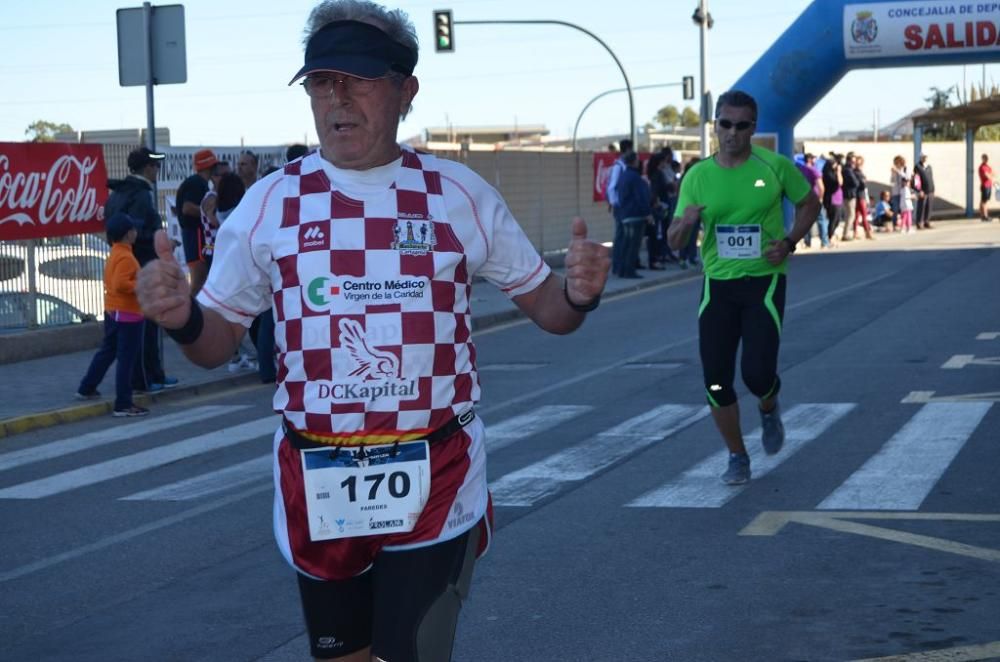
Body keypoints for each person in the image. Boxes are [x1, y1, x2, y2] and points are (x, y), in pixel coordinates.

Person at [135, 2, 610, 660]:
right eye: (322, 83)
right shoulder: (271, 203)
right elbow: (215, 345)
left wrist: (579, 294)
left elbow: (551, 312)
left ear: (405, 90)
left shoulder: (457, 194)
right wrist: (182, 316)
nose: (338, 100)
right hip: (316, 477)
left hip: (437, 471)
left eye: (357, 81)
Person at [667, 89, 820, 486]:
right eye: (725, 124)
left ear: (753, 127)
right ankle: (737, 455)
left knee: (756, 375)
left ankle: (768, 408)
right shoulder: (697, 176)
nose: (732, 132)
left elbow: (810, 204)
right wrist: (684, 225)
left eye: (741, 125)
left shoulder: (774, 167)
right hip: (717, 286)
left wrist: (788, 241)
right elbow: (675, 241)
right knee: (716, 380)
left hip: (763, 282)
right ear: (715, 124)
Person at [102, 146, 175, 393]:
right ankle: (146, 379)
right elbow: (136, 231)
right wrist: (161, 239)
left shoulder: (118, 193)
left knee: (138, 328)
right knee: (146, 326)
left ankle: (153, 374)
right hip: (142, 266)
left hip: (125, 264)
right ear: (148, 167)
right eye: (156, 166)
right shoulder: (141, 195)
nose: (158, 170)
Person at [76, 213, 150, 417]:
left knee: (108, 351)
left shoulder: (116, 252)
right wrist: (141, 285)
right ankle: (123, 404)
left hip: (114, 312)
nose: (137, 231)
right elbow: (120, 284)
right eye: (134, 229)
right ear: (128, 234)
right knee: (126, 359)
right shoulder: (126, 257)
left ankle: (87, 387)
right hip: (128, 314)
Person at [176, 149, 219, 296]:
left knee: (202, 281)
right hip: (195, 236)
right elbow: (187, 208)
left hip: (194, 235)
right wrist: (209, 213)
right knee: (199, 281)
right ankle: (190, 316)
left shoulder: (197, 183)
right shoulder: (197, 183)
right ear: (210, 167)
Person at [615, 151, 651, 279]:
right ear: (634, 161)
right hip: (635, 215)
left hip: (625, 214)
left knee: (625, 244)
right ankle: (629, 271)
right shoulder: (635, 177)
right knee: (633, 245)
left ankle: (622, 269)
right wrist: (647, 213)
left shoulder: (623, 176)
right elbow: (641, 197)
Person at [607, 138, 633, 276]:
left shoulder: (624, 165)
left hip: (624, 206)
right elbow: (612, 187)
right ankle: (617, 266)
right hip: (620, 207)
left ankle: (623, 265)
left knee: (625, 237)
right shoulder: (618, 166)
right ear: (627, 150)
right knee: (620, 237)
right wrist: (615, 203)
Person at [795, 153, 828, 249]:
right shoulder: (814, 170)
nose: (815, 160)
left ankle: (807, 242)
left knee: (804, 221)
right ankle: (824, 242)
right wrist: (820, 198)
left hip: (802, 198)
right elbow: (821, 187)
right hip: (814, 198)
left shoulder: (799, 170)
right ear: (809, 159)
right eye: (814, 158)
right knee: (821, 220)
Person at [914, 153, 935, 229]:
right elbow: (917, 179)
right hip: (923, 190)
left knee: (929, 207)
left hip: (930, 190)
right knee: (921, 207)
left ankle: (927, 222)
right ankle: (919, 223)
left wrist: (933, 189)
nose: (924, 158)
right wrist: (919, 190)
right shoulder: (917, 167)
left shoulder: (929, 167)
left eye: (926, 157)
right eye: (923, 157)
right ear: (920, 157)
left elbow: (931, 178)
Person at [979, 153, 993, 222]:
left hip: (988, 185)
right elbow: (987, 175)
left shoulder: (987, 166)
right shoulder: (982, 167)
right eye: (985, 158)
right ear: (982, 159)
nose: (986, 159)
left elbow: (993, 173)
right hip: (985, 186)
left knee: (983, 201)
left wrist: (991, 176)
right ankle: (985, 216)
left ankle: (982, 216)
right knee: (984, 202)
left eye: (987, 158)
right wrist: (991, 177)